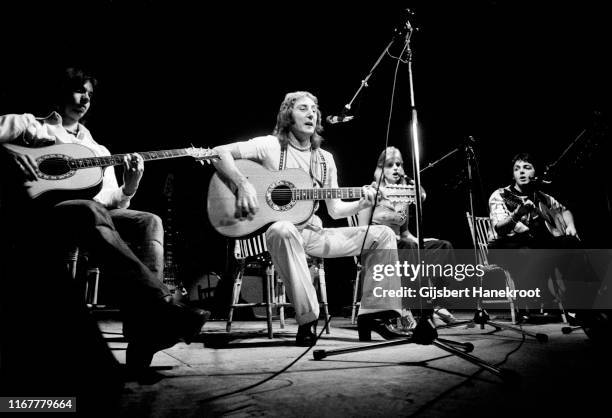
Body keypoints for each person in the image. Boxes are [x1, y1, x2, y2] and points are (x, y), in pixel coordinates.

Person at [0, 67, 209, 380]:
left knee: (147, 221)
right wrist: (6, 153)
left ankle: (143, 338)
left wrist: (130, 186)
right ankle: (161, 310)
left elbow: (112, 202)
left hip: (87, 213)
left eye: (90, 94)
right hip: (38, 214)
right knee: (87, 210)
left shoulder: (98, 151)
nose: (85, 99)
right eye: (78, 90)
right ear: (61, 92)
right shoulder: (27, 123)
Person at [212, 91, 405, 345]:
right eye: (303, 108)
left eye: (314, 109)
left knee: (384, 235)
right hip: (279, 236)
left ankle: (375, 315)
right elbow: (218, 153)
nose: (311, 113)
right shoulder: (270, 146)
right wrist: (242, 185)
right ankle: (308, 319)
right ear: (288, 115)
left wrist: (362, 202)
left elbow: (335, 210)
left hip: (314, 234)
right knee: (283, 228)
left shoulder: (325, 160)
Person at [358, 147, 457, 327]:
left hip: (402, 244)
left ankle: (438, 304)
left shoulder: (404, 195)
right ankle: (408, 307)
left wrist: (423, 241)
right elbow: (362, 231)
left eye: (398, 164)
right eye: (390, 165)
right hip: (379, 247)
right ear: (381, 168)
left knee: (443, 246)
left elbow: (405, 233)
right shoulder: (372, 192)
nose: (395, 168)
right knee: (408, 247)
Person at [488, 152, 580, 316]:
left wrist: (571, 225)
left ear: (535, 174)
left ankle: (578, 303)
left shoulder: (541, 196)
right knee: (529, 252)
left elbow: (564, 211)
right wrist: (517, 214)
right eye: (517, 169)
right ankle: (533, 298)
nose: (521, 172)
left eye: (526, 168)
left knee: (570, 243)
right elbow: (500, 228)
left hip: (533, 244)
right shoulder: (500, 195)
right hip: (503, 247)